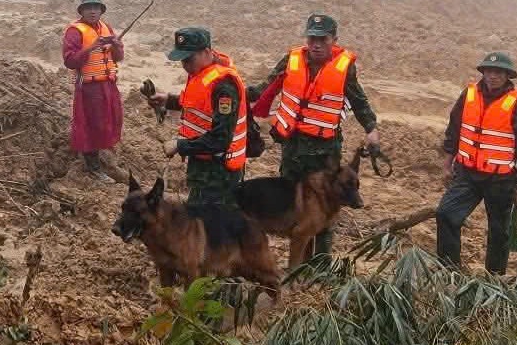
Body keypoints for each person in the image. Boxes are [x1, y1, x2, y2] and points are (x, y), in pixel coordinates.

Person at [252, 13, 379, 263]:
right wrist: (243, 97)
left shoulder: (344, 68)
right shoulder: (292, 60)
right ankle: (295, 264)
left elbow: (358, 100)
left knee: (326, 209)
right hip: (294, 148)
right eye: (312, 38)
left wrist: (371, 129)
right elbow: (264, 87)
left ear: (334, 40)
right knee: (290, 206)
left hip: (325, 153)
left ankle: (320, 267)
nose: (316, 44)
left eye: (322, 38)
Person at [436, 52, 517, 274]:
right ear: (483, 72)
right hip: (467, 174)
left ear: (507, 75)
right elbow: (454, 130)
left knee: (499, 231)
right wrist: (447, 164)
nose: (493, 76)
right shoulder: (469, 94)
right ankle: (448, 271)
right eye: (489, 71)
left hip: (500, 180)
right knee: (445, 214)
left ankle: (494, 278)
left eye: (498, 72)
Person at [146, 28, 248, 207]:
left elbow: (220, 139)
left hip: (219, 172)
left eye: (188, 59)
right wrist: (168, 101)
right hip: (203, 166)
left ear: (206, 52)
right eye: (182, 60)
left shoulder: (223, 87)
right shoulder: (200, 73)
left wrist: (180, 145)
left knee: (210, 224)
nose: (185, 65)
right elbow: (198, 105)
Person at [61, 0, 125, 183]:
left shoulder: (106, 28)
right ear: (81, 11)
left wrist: (117, 46)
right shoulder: (74, 31)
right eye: (88, 8)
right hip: (90, 87)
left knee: (111, 120)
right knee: (91, 125)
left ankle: (103, 155)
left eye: (96, 7)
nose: (92, 11)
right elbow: (70, 61)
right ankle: (93, 167)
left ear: (101, 10)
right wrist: (91, 47)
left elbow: (117, 57)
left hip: (108, 84)